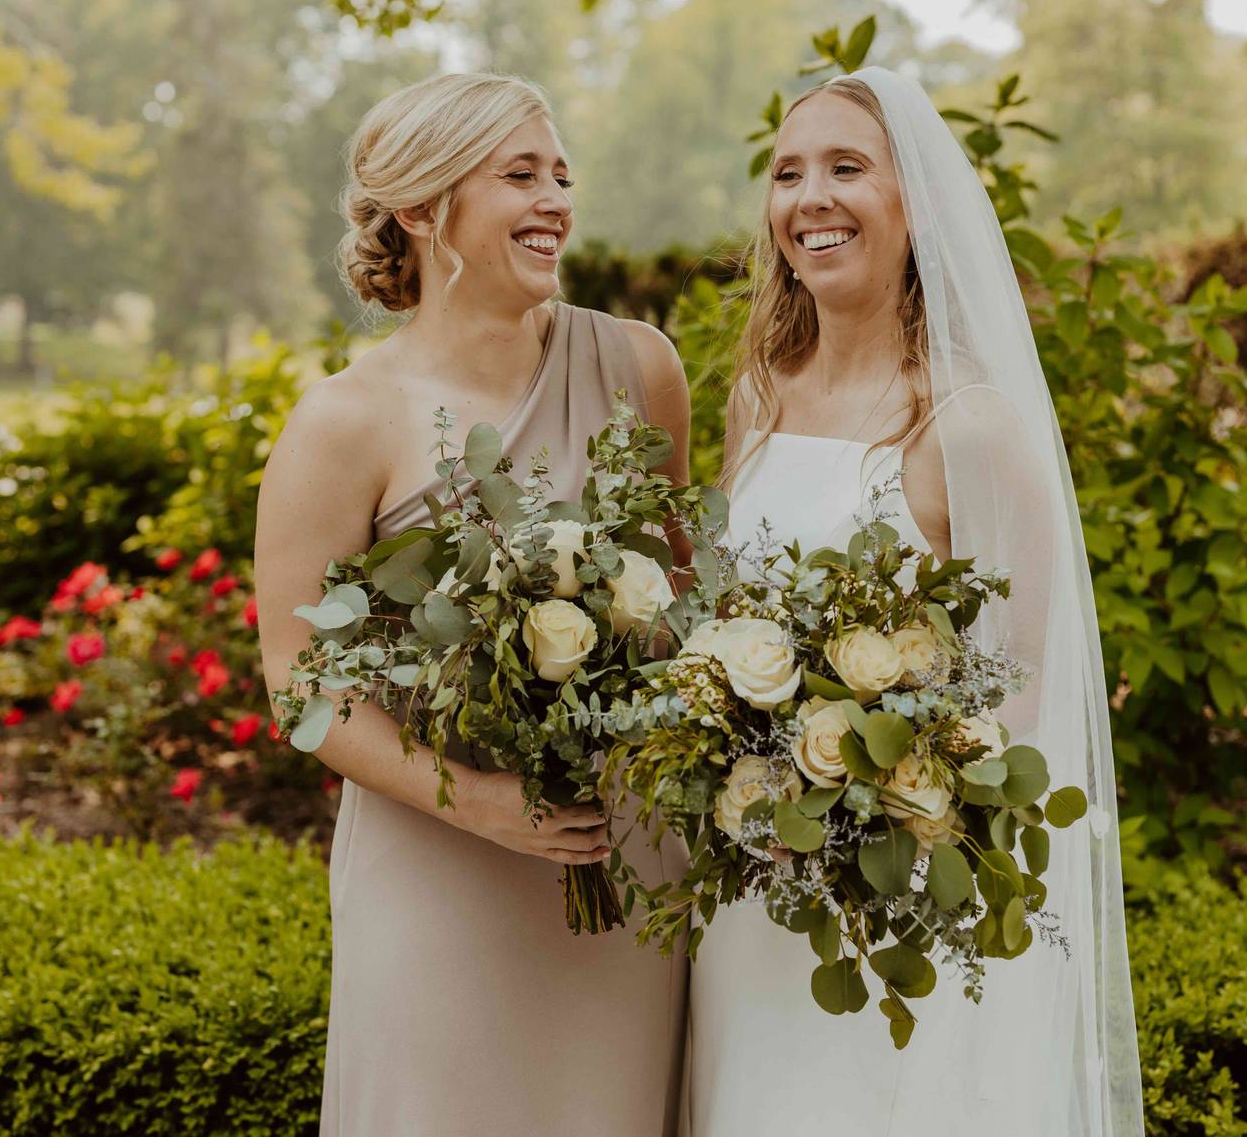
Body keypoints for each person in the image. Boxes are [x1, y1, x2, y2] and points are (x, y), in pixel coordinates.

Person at [685, 68, 1144, 1136]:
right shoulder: (759, 397)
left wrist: (874, 807)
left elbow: (1028, 676)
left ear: (914, 205)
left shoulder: (968, 423)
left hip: (887, 891)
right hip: (751, 878)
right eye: (790, 172)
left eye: (848, 167)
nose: (812, 197)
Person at [253, 72, 692, 1137]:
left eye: (562, 175)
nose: (556, 201)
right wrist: (482, 803)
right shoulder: (342, 422)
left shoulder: (641, 366)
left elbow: (683, 595)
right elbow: (302, 684)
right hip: (439, 867)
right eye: (520, 175)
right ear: (421, 205)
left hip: (622, 860)